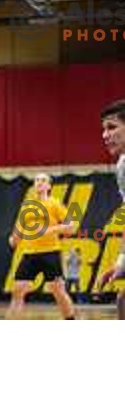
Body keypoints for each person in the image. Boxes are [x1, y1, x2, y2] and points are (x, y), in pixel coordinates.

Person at [6, 173, 76, 319]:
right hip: (29, 253)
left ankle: (70, 320)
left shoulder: (55, 203)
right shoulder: (27, 205)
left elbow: (71, 227)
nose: (39, 182)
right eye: (36, 180)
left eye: (43, 180)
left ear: (49, 186)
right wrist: (14, 239)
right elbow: (19, 228)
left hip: (50, 253)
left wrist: (50, 230)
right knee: (18, 289)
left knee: (58, 291)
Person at [98, 100, 125, 319]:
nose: (105, 135)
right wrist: (122, 262)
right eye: (103, 129)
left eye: (112, 127)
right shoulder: (122, 165)